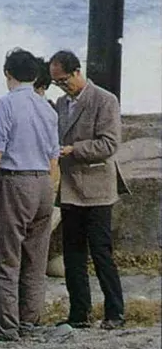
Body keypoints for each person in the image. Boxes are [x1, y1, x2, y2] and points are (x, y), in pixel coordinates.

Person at [0, 48, 60, 342]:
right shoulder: (47, 108)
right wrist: (51, 188)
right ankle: (29, 321)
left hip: (15, 181)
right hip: (43, 183)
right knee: (35, 260)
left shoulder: (7, 104)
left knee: (4, 257)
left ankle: (6, 326)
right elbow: (54, 156)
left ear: (8, 73)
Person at [49, 50, 126, 330]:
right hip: (70, 188)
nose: (62, 86)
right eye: (56, 82)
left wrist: (74, 149)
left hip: (97, 189)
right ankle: (79, 313)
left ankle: (115, 312)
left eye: (64, 80)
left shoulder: (105, 100)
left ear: (77, 72)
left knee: (102, 253)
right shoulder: (60, 103)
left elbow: (109, 144)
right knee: (73, 255)